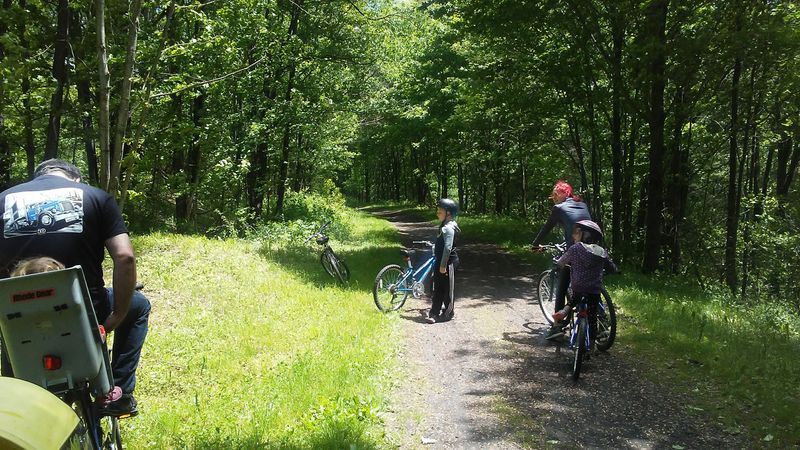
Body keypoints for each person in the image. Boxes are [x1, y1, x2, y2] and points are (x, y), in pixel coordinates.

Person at [0, 159, 150, 417]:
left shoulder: (3, 199)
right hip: (84, 311)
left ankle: (19, 409)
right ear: (75, 179)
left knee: (12, 337)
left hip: (17, 316)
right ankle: (119, 393)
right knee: (138, 306)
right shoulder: (96, 198)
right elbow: (125, 257)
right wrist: (116, 316)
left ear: (37, 177)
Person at [531, 180, 591, 340]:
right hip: (594, 249)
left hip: (576, 251)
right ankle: (600, 322)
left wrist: (535, 244)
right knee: (592, 282)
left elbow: (546, 227)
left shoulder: (559, 208)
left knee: (562, 283)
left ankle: (557, 326)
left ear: (566, 193)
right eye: (553, 194)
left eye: (557, 193)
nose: (554, 196)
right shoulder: (583, 204)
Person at [550, 220, 617, 344]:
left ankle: (561, 317)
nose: (573, 236)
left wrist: (557, 265)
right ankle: (591, 343)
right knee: (592, 317)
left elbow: (561, 262)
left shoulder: (575, 248)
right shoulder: (601, 251)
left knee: (572, 301)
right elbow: (611, 267)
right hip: (594, 290)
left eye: (576, 233)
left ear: (583, 235)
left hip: (578, 287)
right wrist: (613, 270)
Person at [427, 198, 461, 324]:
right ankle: (434, 313)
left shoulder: (449, 228)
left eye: (440, 210)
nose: (438, 212)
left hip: (449, 263)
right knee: (438, 288)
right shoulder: (443, 226)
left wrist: (443, 265)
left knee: (447, 289)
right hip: (440, 262)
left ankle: (448, 312)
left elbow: (448, 248)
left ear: (448, 213)